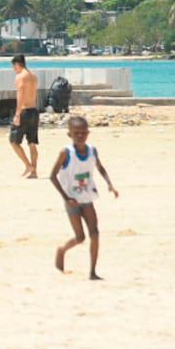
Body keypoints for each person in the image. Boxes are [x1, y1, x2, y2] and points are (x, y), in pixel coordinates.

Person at [50, 115, 118, 280]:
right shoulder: (66, 153)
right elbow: (52, 176)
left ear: (88, 133)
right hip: (72, 201)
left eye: (83, 133)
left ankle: (92, 272)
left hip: (87, 198)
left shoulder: (92, 150)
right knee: (80, 237)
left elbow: (100, 168)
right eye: (76, 133)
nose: (80, 136)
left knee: (95, 233)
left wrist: (110, 184)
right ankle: (62, 250)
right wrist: (66, 197)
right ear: (70, 134)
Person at [9, 54, 41, 179]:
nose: (13, 69)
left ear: (17, 64)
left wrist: (17, 114)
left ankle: (28, 166)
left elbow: (20, 96)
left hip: (24, 112)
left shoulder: (20, 77)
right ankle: (34, 172)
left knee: (13, 141)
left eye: (13, 66)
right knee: (32, 143)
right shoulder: (33, 77)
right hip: (34, 111)